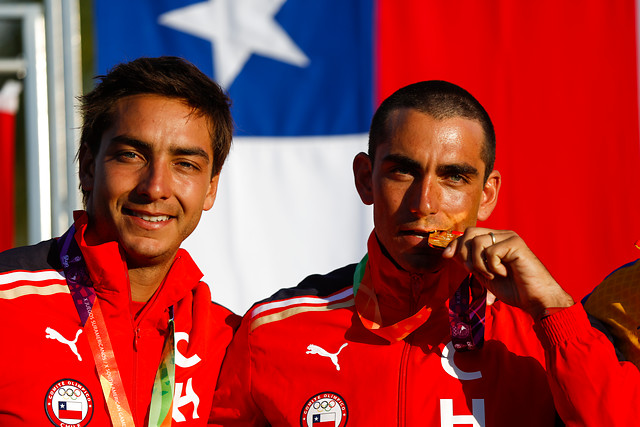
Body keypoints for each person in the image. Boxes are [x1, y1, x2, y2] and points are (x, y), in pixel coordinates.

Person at [208, 80, 628, 426]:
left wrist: (554, 309)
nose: (424, 203)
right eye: (402, 171)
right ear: (365, 180)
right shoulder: (273, 331)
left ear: (487, 195)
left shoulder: (545, 336)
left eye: (454, 177)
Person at [0, 56, 239, 426]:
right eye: (131, 155)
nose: (155, 187)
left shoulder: (232, 343)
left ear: (211, 187)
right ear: (88, 167)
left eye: (185, 164)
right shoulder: (7, 303)